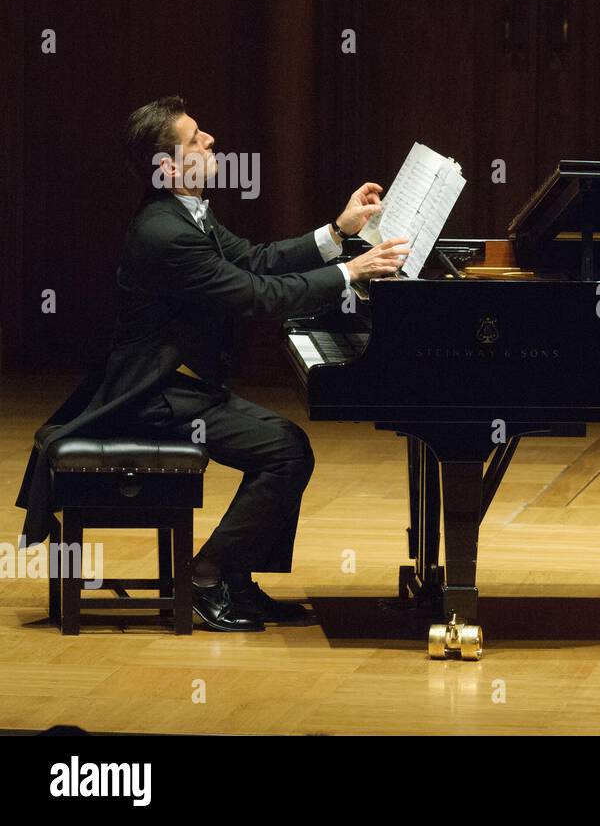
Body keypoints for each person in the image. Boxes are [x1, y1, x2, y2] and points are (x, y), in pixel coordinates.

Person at [15, 96, 411, 632]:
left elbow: (254, 260)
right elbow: (257, 295)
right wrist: (351, 273)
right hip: (147, 395)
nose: (211, 142)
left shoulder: (188, 214)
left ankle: (233, 580)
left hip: (174, 383)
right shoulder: (166, 234)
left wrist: (338, 232)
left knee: (287, 446)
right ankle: (206, 577)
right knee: (285, 450)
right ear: (169, 167)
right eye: (196, 138)